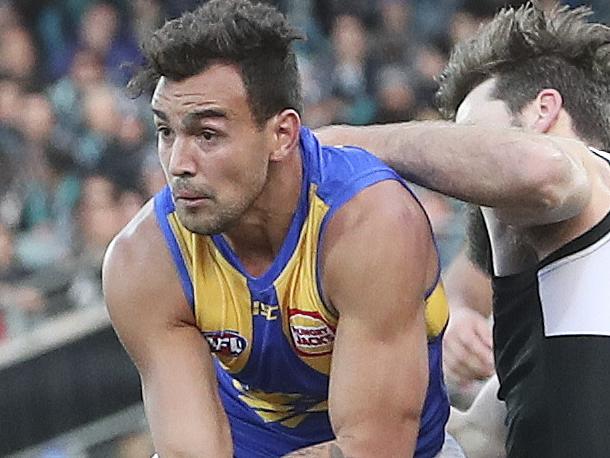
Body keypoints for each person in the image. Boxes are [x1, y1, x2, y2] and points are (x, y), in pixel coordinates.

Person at [102, 1, 454, 457]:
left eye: (207, 135)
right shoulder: (143, 259)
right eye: (166, 132)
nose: (177, 164)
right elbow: (191, 451)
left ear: (282, 135)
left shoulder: (372, 224)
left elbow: (374, 450)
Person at [317, 3, 610, 457]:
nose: (466, 184)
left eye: (470, 133)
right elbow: (476, 439)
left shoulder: (593, 177)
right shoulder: (552, 306)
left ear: (543, 111)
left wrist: (337, 142)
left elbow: (541, 169)